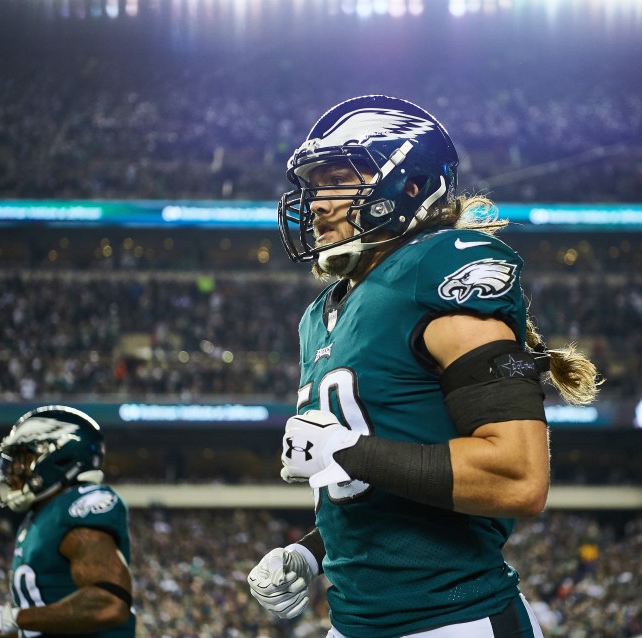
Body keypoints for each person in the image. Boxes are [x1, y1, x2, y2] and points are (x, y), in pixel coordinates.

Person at [249, 95, 601, 637]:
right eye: (313, 186)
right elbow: (384, 485)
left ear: (409, 185)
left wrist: (345, 449)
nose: (317, 203)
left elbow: (518, 477)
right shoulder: (320, 315)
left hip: (453, 621)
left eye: (338, 179)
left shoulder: (441, 265)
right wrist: (312, 554)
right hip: (353, 623)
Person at [0, 405, 135, 638]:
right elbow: (52, 622)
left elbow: (109, 602)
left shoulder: (77, 507)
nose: (12, 471)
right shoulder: (40, 518)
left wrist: (13, 618)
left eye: (22, 459)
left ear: (59, 457)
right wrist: (1, 630)